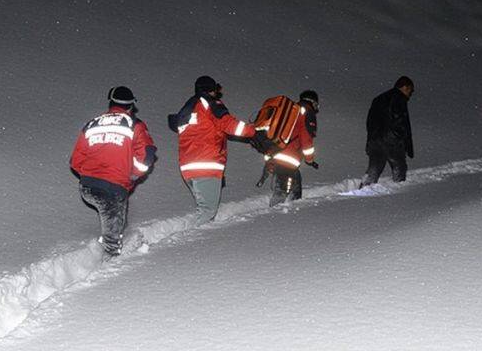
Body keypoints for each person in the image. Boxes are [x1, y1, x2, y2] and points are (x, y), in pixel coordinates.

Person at [70, 86, 157, 257]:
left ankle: (105, 243)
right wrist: (133, 175)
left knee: (111, 217)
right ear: (131, 106)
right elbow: (147, 155)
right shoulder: (134, 125)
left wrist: (91, 175)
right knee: (112, 233)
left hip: (87, 187)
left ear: (111, 103)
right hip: (114, 188)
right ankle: (109, 266)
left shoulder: (92, 124)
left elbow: (75, 161)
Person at [168, 75, 260, 223]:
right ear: (211, 90)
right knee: (207, 211)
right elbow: (230, 125)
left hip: (188, 167)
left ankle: (198, 239)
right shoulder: (211, 104)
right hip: (207, 165)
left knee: (204, 208)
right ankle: (194, 243)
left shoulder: (188, 107)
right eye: (215, 90)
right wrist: (255, 131)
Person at [263, 90, 320, 207]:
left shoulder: (292, 110)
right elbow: (306, 138)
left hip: (276, 152)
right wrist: (309, 159)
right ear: (313, 102)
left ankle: (282, 215)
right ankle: (277, 218)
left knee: (285, 187)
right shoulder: (307, 112)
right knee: (285, 193)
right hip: (289, 158)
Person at [359, 76, 414, 188]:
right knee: (399, 167)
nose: (410, 94)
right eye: (410, 90)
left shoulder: (378, 99)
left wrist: (373, 138)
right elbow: (400, 121)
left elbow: (370, 121)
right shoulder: (399, 98)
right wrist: (400, 138)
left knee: (375, 167)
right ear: (404, 87)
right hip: (391, 141)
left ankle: (364, 188)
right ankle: (398, 191)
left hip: (375, 141)